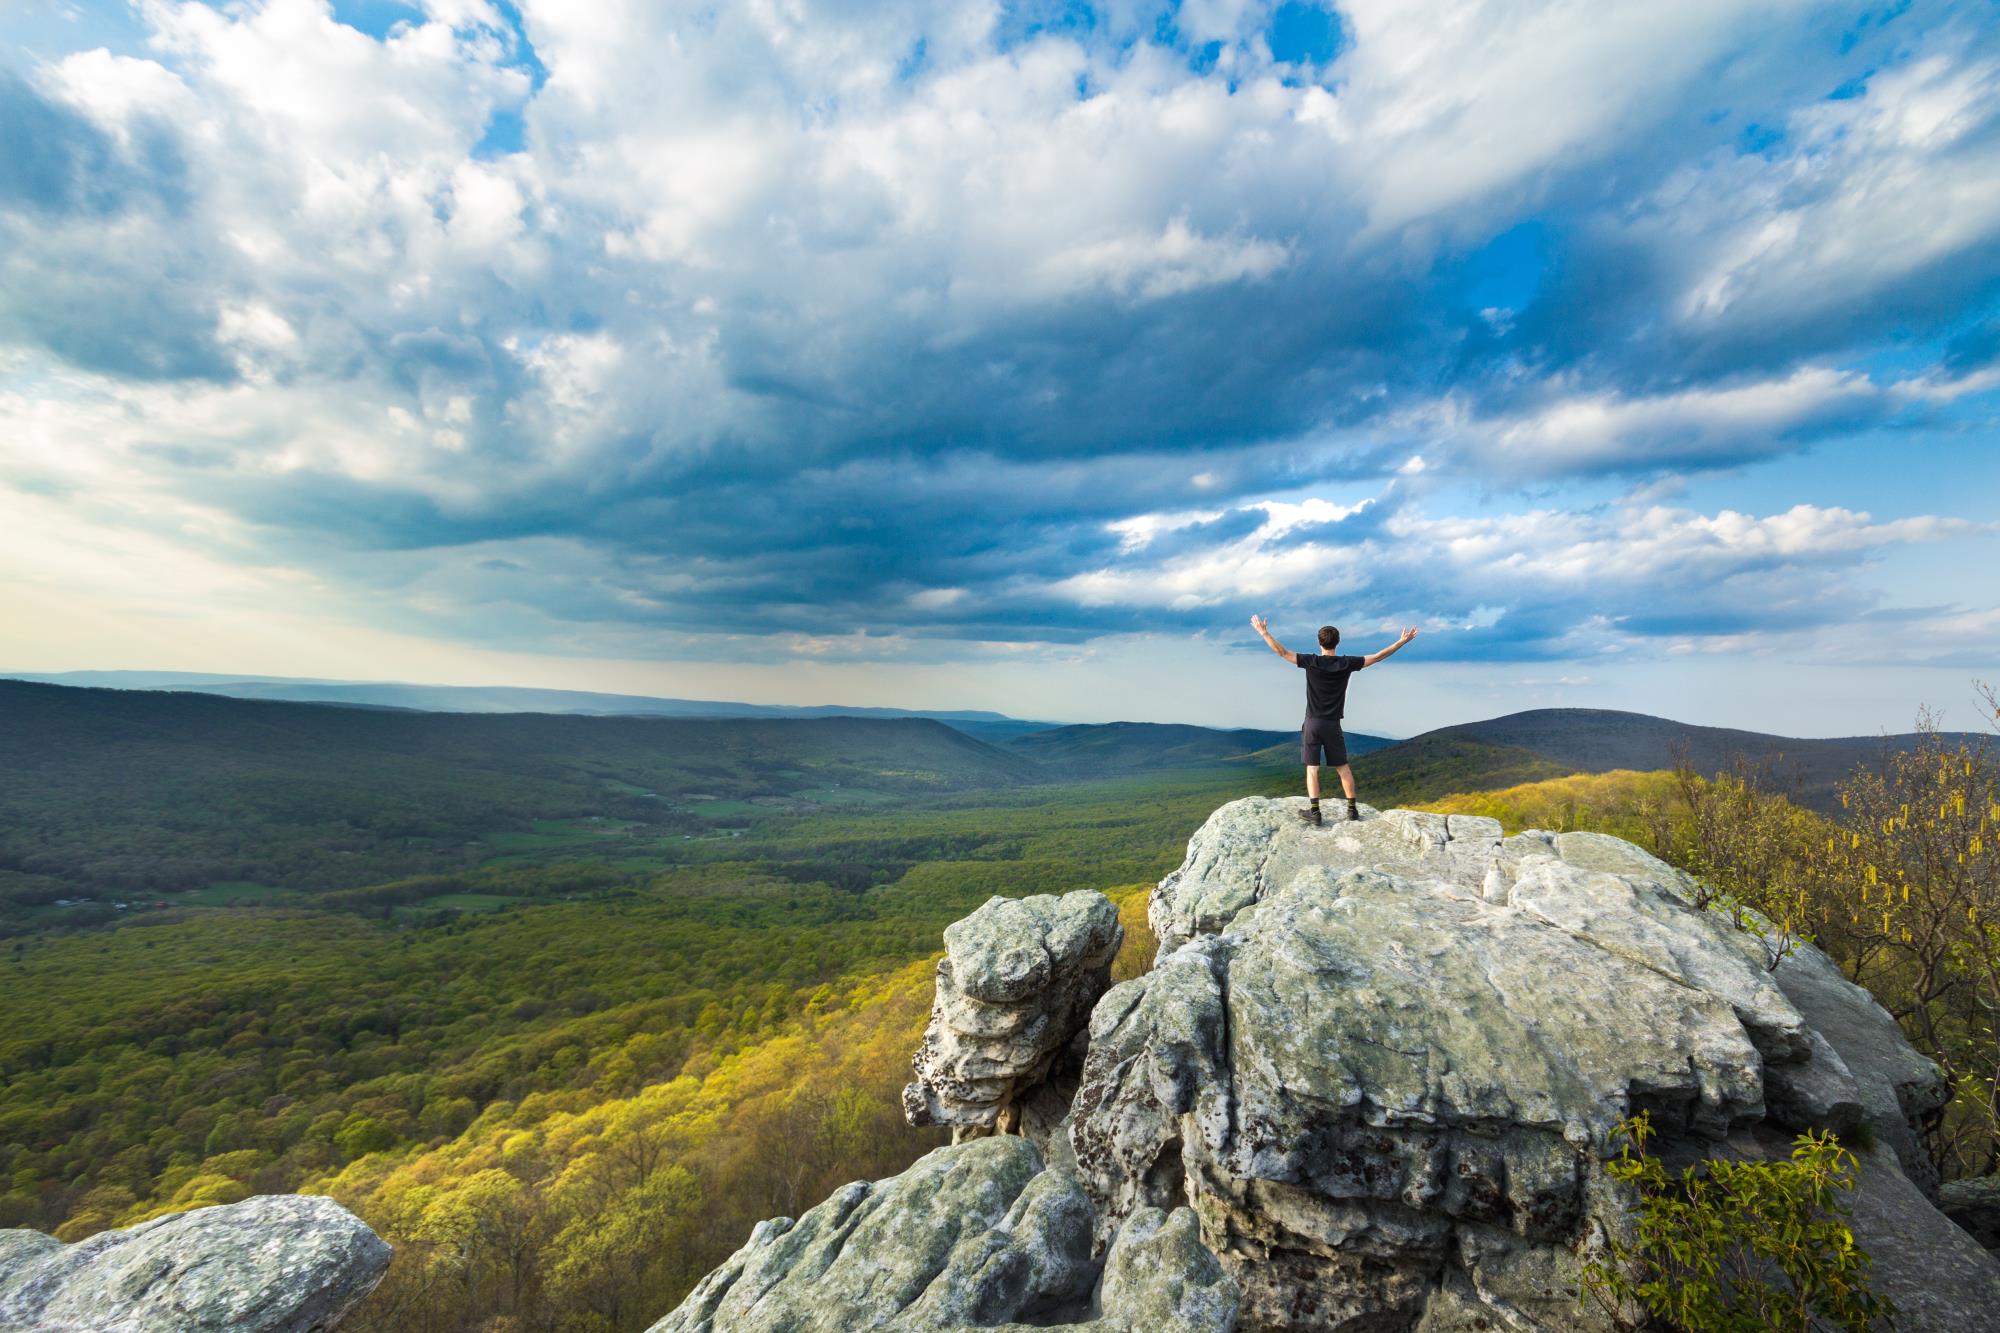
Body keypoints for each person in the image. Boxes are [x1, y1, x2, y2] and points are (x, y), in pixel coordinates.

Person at [1250, 615, 1417, 825]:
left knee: (1312, 768)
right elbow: (1378, 657)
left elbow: (1281, 652)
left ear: (1319, 642)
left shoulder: (1312, 662)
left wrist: (1263, 632)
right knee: (1342, 767)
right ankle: (1352, 810)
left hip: (1313, 722)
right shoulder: (1346, 663)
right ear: (1337, 642)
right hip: (1333, 724)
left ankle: (1315, 812)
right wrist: (1401, 642)